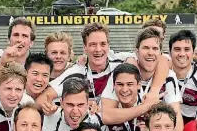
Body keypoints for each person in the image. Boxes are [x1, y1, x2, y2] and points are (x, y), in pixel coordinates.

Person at [36, 22, 169, 115]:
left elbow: (163, 60)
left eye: (103, 44)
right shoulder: (77, 72)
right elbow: (42, 99)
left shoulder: (120, 61)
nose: (98, 50)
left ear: (108, 46)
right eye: (93, 45)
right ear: (85, 48)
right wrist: (51, 107)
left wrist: (154, 91)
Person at [101, 29, 183, 131]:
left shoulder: (169, 76)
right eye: (145, 48)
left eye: (155, 48)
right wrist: (145, 107)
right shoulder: (121, 73)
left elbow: (176, 115)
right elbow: (106, 115)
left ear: (160, 53)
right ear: (136, 52)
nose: (150, 52)